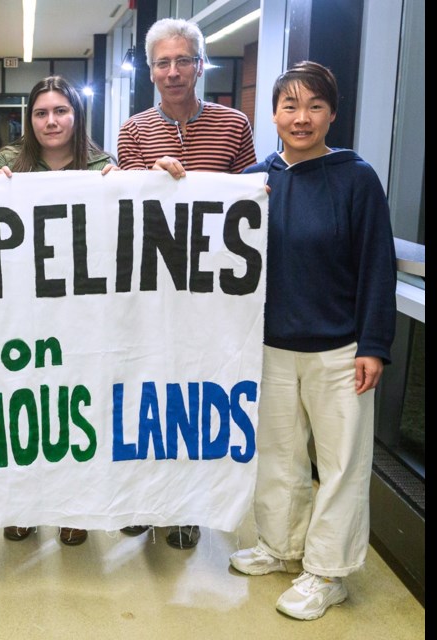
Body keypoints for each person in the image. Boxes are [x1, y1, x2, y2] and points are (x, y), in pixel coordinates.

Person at [229, 61, 396, 621]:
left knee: (342, 463)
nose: (301, 118)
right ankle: (281, 547)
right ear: (273, 113)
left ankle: (328, 571)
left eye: (315, 106)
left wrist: (373, 343)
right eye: (290, 106)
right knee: (276, 458)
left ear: (333, 112)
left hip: (340, 350)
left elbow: (377, 267)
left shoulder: (356, 178)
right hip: (271, 347)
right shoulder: (255, 181)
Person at [116, 17, 257, 550]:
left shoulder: (233, 126)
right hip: (149, 290)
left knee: (195, 395)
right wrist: (150, 175)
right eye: (161, 62)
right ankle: (143, 498)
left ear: (200, 65)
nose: (172, 72)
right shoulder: (134, 130)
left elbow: (250, 202)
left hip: (212, 293)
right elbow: (121, 205)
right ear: (150, 71)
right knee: (143, 391)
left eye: (182, 61)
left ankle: (185, 506)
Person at [0, 75, 116, 547]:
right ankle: (23, 504)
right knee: (21, 406)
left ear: (77, 116)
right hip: (20, 308)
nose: (51, 121)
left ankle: (73, 505)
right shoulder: (4, 162)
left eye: (61, 111)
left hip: (80, 308)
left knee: (74, 408)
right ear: (30, 119)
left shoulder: (103, 165)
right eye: (41, 113)